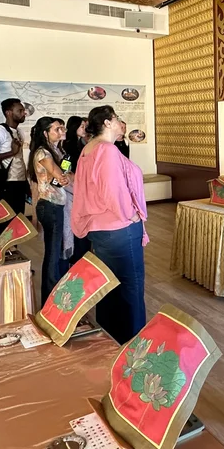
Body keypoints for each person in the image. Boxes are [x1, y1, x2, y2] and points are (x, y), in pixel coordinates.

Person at [72, 106, 148, 344]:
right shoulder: (106, 150)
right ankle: (134, 343)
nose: (119, 123)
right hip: (119, 228)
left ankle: (110, 340)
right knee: (131, 287)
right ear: (106, 123)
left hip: (101, 229)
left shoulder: (89, 148)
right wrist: (131, 215)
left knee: (109, 285)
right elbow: (113, 191)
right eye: (116, 119)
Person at [28, 116, 71, 306]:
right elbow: (58, 174)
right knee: (53, 253)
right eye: (57, 129)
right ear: (45, 133)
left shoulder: (57, 150)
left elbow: (64, 176)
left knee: (55, 250)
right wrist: (61, 176)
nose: (62, 132)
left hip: (56, 205)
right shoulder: (42, 153)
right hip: (50, 206)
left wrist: (64, 176)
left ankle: (52, 295)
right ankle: (50, 302)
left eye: (63, 128)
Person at [62, 115, 91, 263]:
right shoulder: (67, 146)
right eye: (81, 126)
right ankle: (75, 256)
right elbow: (64, 169)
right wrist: (71, 175)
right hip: (72, 190)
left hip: (83, 188)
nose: (84, 129)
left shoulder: (82, 144)